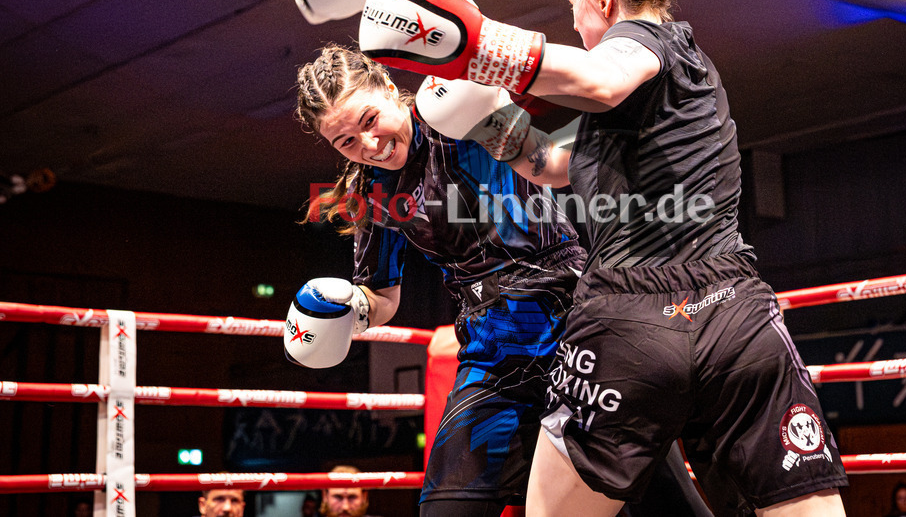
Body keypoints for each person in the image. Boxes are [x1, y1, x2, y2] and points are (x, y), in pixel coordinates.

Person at [357, 0, 849, 515]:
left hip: (628, 322)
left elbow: (605, 78)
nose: (574, 24)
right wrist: (487, 117)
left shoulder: (640, 46)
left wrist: (480, 44)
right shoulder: (685, 79)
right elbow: (549, 166)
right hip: (737, 317)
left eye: (575, 7)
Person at [287, 44, 712, 517]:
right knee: (448, 508)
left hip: (576, 327)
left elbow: (546, 146)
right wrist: (348, 308)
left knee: (664, 501)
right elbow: (383, 298)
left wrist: (481, 78)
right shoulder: (374, 195)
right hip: (492, 355)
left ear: (390, 90)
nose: (368, 144)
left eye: (368, 120)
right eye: (346, 141)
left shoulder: (452, 110)